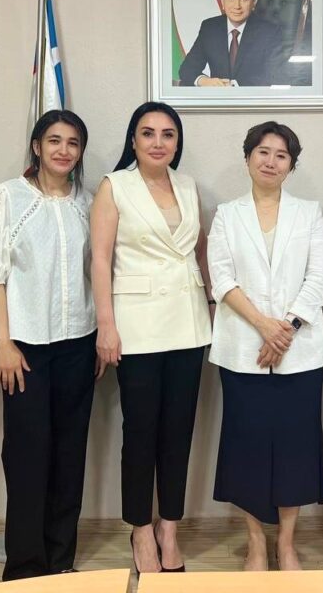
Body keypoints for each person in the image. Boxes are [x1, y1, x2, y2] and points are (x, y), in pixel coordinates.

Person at [90, 102, 212, 576]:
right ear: (133, 140)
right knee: (140, 433)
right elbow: (101, 258)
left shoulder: (188, 185)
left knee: (179, 431)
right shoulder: (114, 185)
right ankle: (140, 529)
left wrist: (213, 305)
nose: (158, 142)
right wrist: (106, 324)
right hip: (136, 325)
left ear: (177, 142)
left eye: (167, 134)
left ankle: (169, 528)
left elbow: (199, 251)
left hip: (188, 322)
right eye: (148, 133)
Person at [0, 110, 96, 580]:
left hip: (78, 344)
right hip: (24, 348)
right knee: (27, 456)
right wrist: (3, 343)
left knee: (70, 454)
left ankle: (61, 560)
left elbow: (96, 272)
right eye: (54, 141)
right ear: (37, 146)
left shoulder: (87, 202)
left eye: (73, 143)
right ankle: (25, 567)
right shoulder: (8, 197)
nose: (64, 150)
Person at [207, 121, 323, 571]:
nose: (271, 161)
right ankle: (256, 542)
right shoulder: (227, 214)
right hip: (243, 348)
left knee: (297, 445)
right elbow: (221, 278)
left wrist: (286, 330)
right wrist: (264, 326)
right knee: (247, 445)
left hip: (301, 351)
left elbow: (318, 275)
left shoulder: (309, 213)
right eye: (263, 152)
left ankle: (287, 544)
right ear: (248, 158)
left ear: (291, 166)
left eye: (281, 155)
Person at [177, 0, 286, 87]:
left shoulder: (270, 32)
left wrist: (233, 85)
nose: (237, 6)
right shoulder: (210, 27)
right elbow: (187, 68)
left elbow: (275, 75)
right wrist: (204, 81)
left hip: (251, 96)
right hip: (216, 96)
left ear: (254, 2)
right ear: (222, 1)